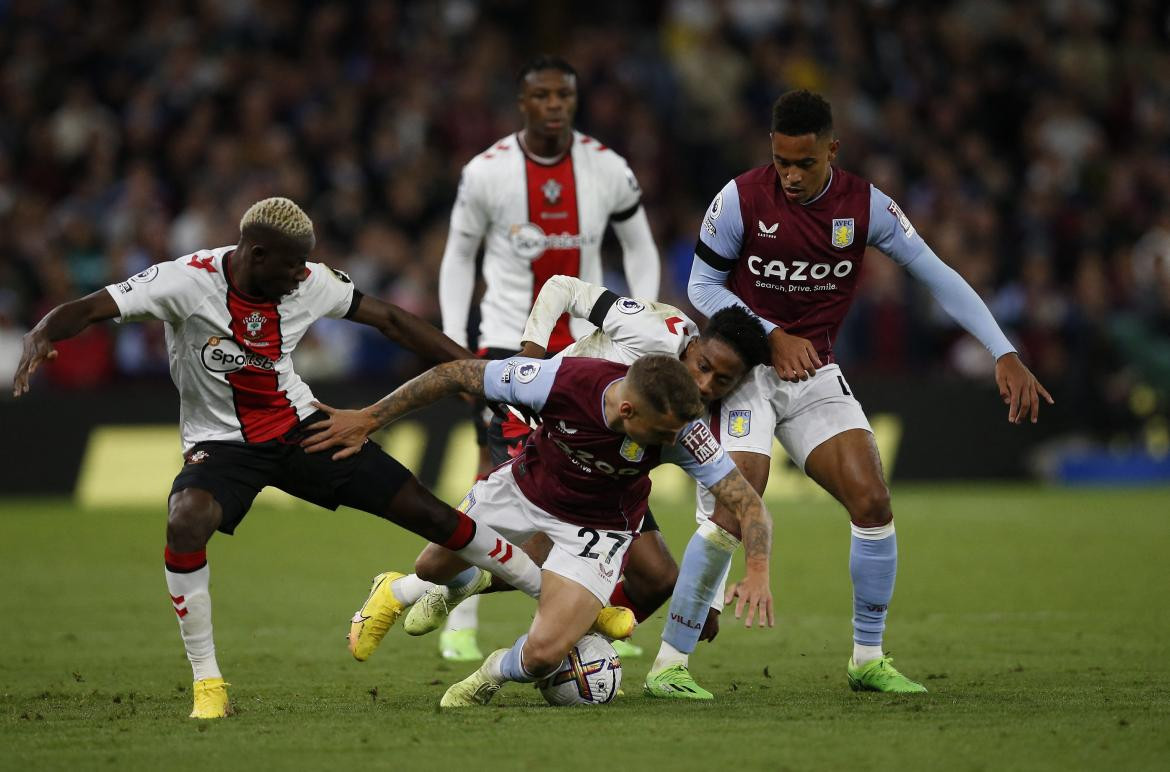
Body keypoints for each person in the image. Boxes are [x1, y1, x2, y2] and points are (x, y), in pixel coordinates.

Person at [11, 198, 547, 719]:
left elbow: (392, 320)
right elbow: (90, 308)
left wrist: (480, 376)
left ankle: (540, 595)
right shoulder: (183, 281)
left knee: (429, 513)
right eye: (291, 264)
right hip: (220, 445)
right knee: (186, 521)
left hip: (300, 429)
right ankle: (208, 683)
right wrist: (42, 332)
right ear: (256, 254)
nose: (301, 275)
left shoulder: (309, 281)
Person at [645, 90, 1054, 699]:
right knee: (736, 504)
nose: (789, 175)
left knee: (872, 500)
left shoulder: (867, 207)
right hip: (744, 372)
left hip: (814, 373)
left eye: (804, 163)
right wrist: (771, 333)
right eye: (781, 160)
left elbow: (936, 272)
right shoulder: (738, 198)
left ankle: (867, 657)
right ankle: (668, 667)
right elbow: (700, 285)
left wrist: (1003, 350)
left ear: (831, 150)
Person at [300, 353, 775, 707]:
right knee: (432, 566)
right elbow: (453, 375)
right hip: (522, 489)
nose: (674, 443)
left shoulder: (685, 432)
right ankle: (403, 586)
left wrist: (756, 569)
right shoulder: (562, 381)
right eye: (663, 434)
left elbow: (747, 502)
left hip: (599, 528)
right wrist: (369, 418)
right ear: (628, 411)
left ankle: (487, 676)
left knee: (545, 654)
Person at [355, 275, 769, 659]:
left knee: (657, 578)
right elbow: (563, 288)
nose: (705, 386)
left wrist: (736, 581)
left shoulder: (691, 411)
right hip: (544, 428)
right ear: (694, 345)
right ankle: (410, 588)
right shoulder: (651, 329)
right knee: (544, 548)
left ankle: (579, 656)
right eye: (703, 368)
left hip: (611, 467)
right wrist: (532, 353)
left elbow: (734, 496)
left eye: (722, 382)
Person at [435, 54, 660, 660]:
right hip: (510, 340)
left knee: (592, 473)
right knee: (504, 476)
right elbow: (459, 258)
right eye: (543, 95)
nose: (555, 104)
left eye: (565, 95)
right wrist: (458, 346)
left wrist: (640, 320)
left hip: (588, 349)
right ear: (523, 103)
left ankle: (582, 611)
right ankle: (458, 609)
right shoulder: (486, 172)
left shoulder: (608, 168)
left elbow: (639, 247)